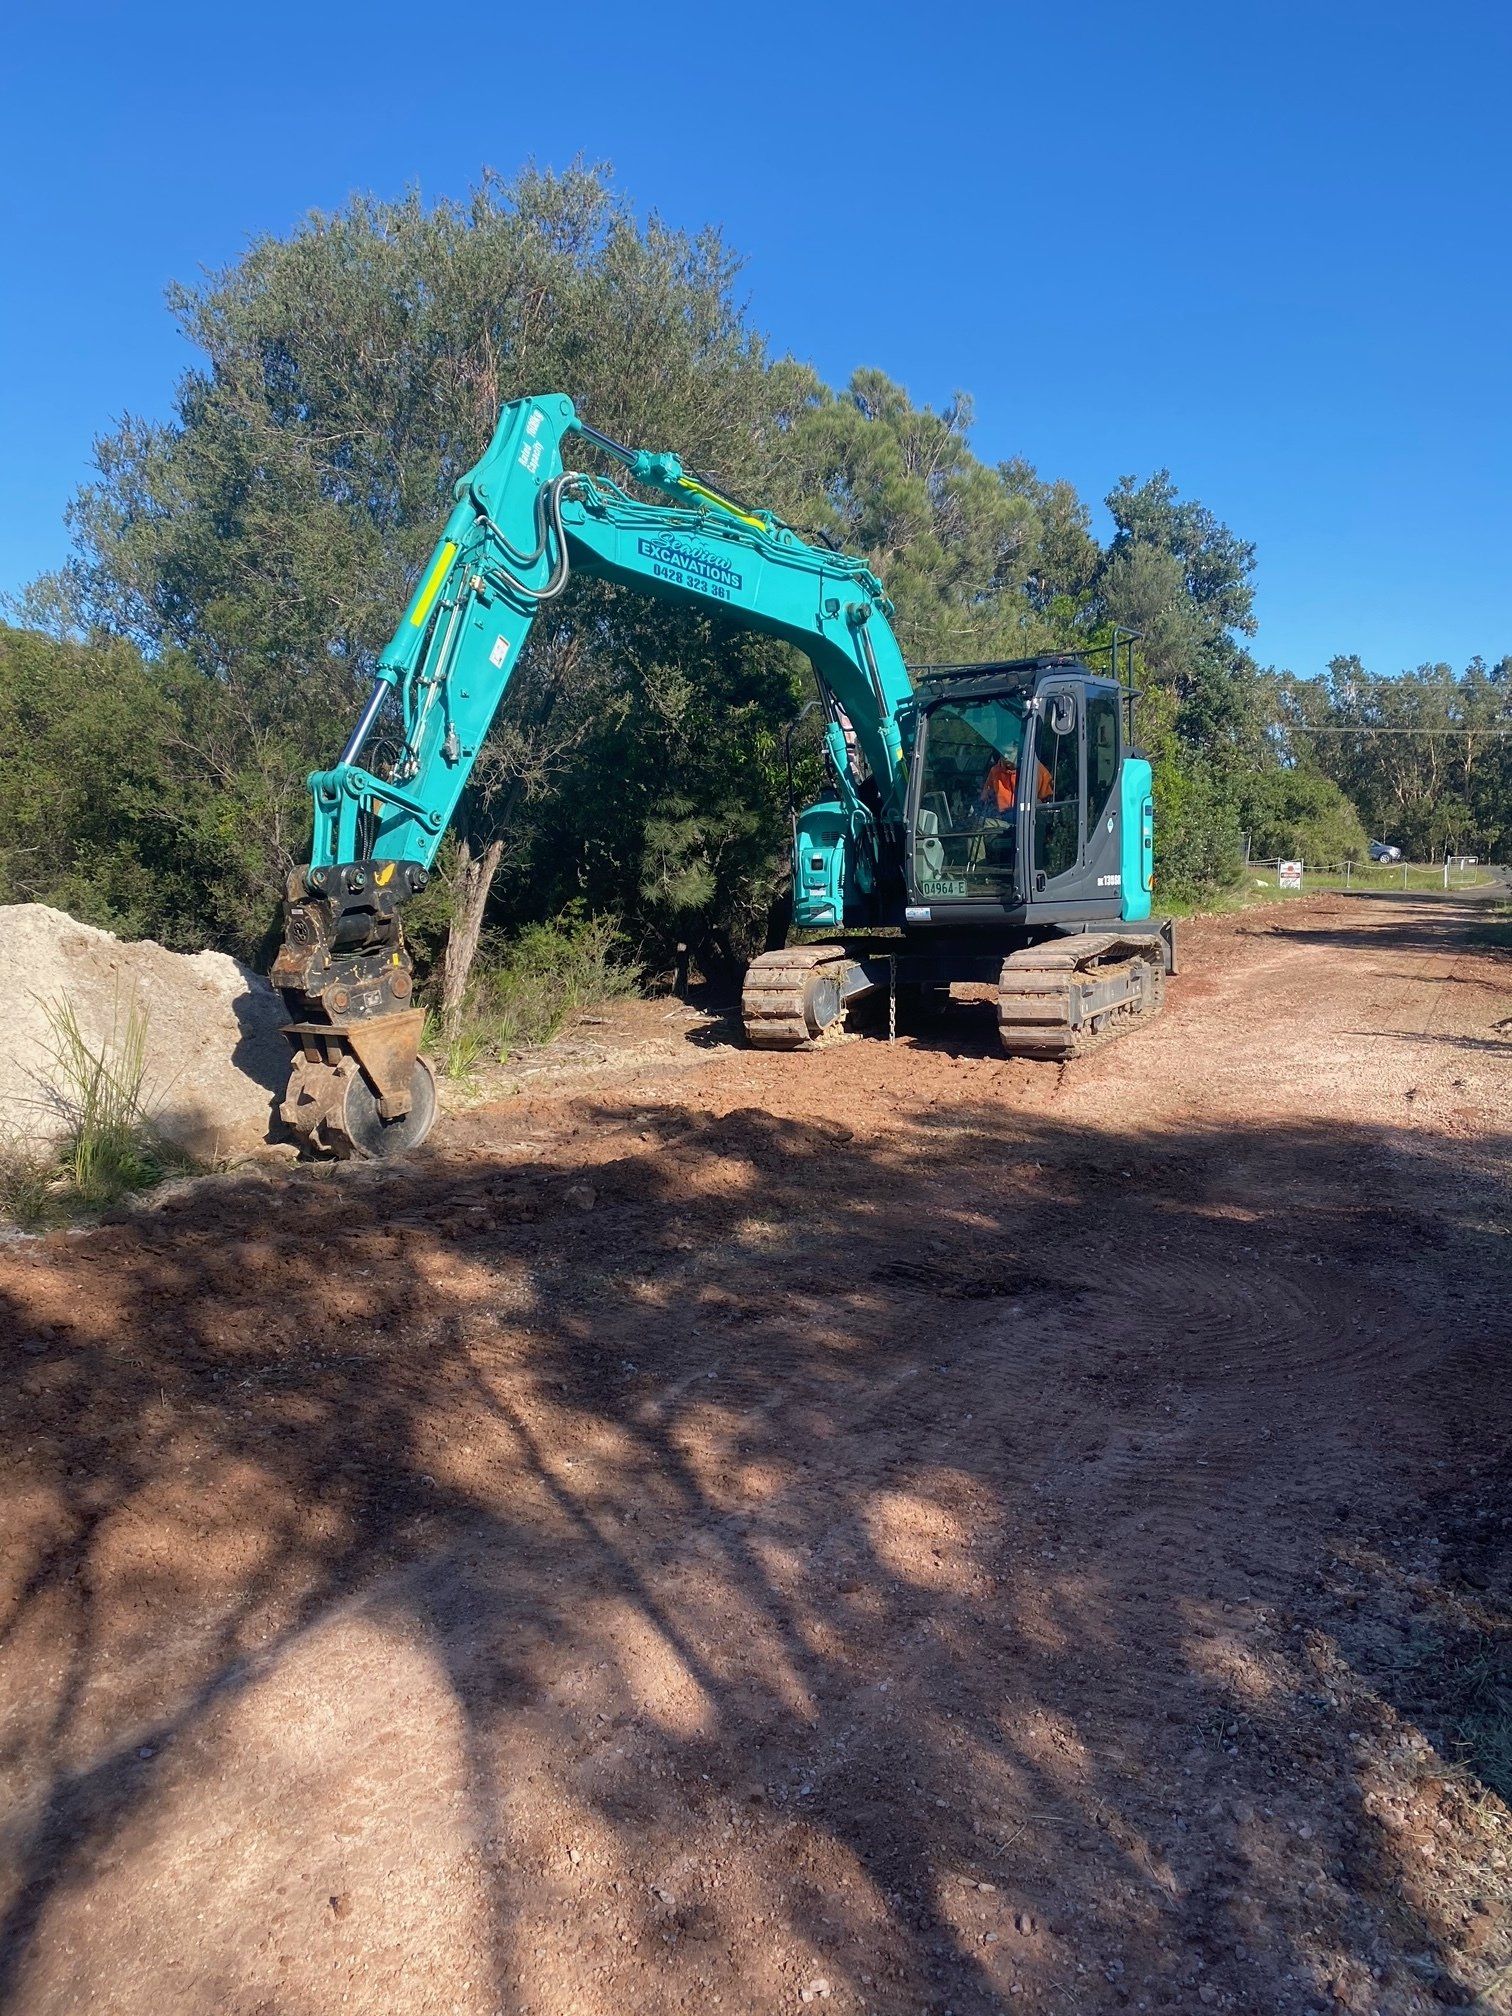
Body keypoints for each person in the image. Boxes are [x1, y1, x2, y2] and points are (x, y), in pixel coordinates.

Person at [979, 747, 1053, 818]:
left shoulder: (1037, 769)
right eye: (1002, 753)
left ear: (1019, 750)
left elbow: (1047, 802)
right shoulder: (994, 771)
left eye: (1009, 752)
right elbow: (985, 800)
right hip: (1001, 821)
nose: (1005, 756)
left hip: (1027, 820)